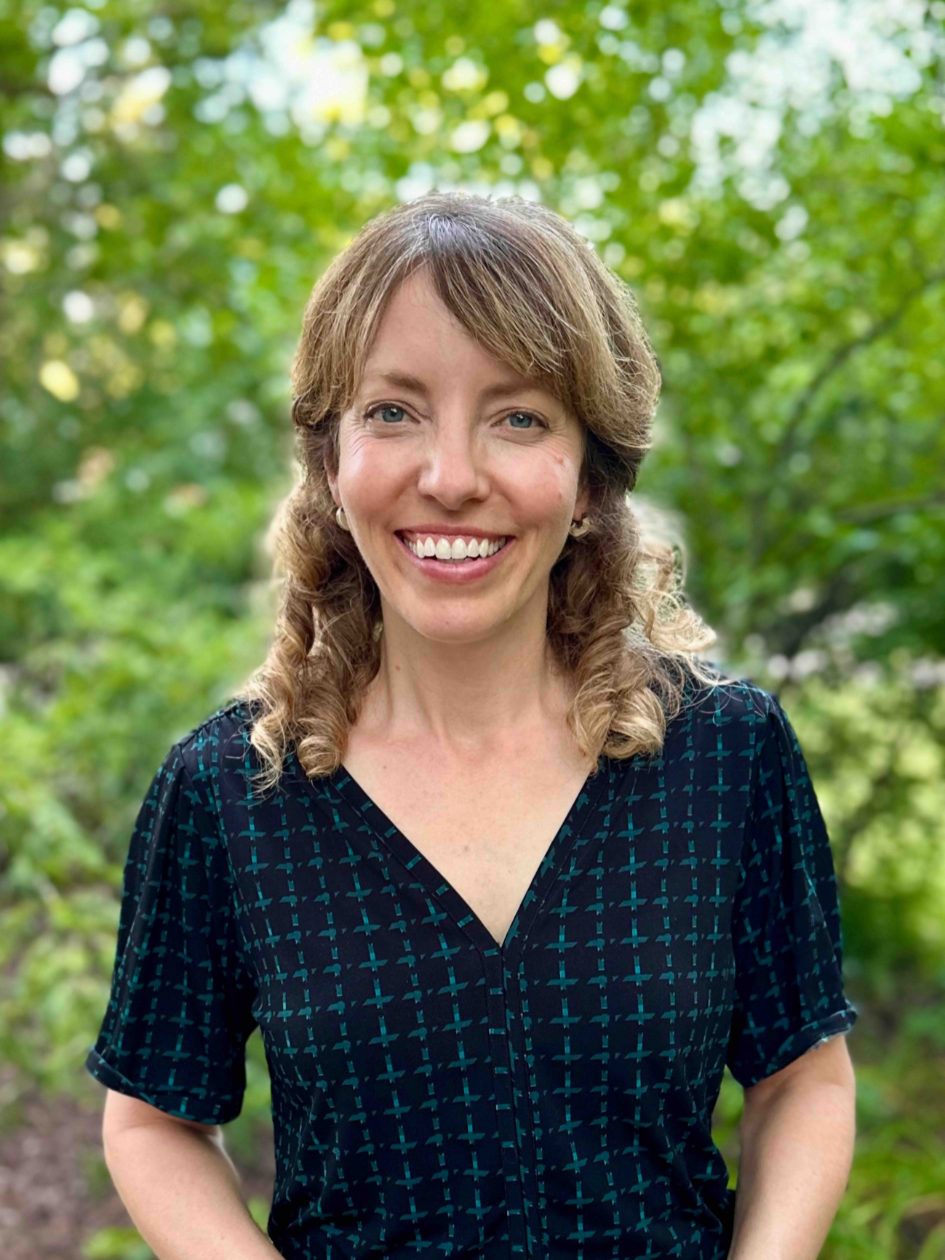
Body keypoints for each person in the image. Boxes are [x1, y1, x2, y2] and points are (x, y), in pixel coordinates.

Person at [85, 190, 859, 1259]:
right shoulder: (230, 791)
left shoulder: (726, 755)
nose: (450, 478)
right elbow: (153, 1117)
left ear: (591, 478)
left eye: (519, 417)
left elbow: (804, 1077)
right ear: (331, 463)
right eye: (394, 411)